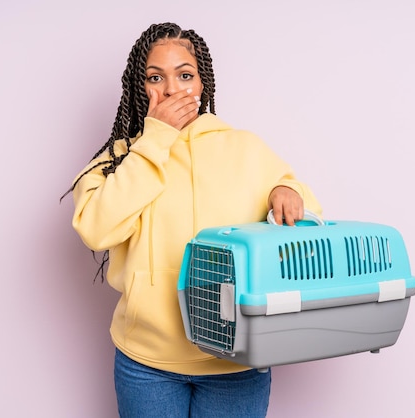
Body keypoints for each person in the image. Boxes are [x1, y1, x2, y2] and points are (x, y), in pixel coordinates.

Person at [67, 22, 322, 418]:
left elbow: (301, 211)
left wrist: (285, 193)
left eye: (185, 75)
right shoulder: (119, 158)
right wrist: (155, 140)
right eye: (156, 78)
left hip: (236, 360)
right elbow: (96, 230)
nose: (171, 90)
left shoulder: (244, 147)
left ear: (202, 85)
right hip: (146, 364)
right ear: (141, 88)